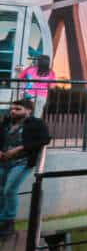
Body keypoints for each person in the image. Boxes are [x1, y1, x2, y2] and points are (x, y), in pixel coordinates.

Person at [0, 100, 51, 238]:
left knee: (9, 190)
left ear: (28, 110)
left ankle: (8, 222)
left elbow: (45, 139)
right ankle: (1, 221)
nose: (13, 111)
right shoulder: (6, 122)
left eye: (17, 108)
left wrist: (20, 148)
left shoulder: (36, 123)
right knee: (1, 191)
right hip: (3, 162)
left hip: (22, 162)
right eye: (12, 109)